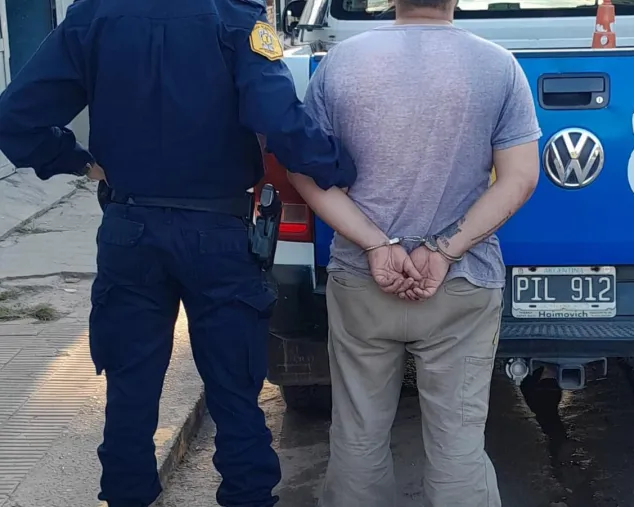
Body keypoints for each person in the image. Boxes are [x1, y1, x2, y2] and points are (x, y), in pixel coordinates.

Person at [0, 0, 355, 506]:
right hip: (218, 234)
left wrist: (76, 161)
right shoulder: (235, 17)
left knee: (129, 392)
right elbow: (280, 120)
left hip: (130, 230)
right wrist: (342, 169)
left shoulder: (93, 15)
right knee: (234, 393)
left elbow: (14, 117)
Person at [286, 0, 542, 504]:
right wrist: (445, 251)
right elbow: (520, 178)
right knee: (458, 448)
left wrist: (375, 244)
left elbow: (304, 170)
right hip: (461, 285)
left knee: (357, 440)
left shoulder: (339, 63)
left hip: (362, 282)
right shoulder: (498, 66)